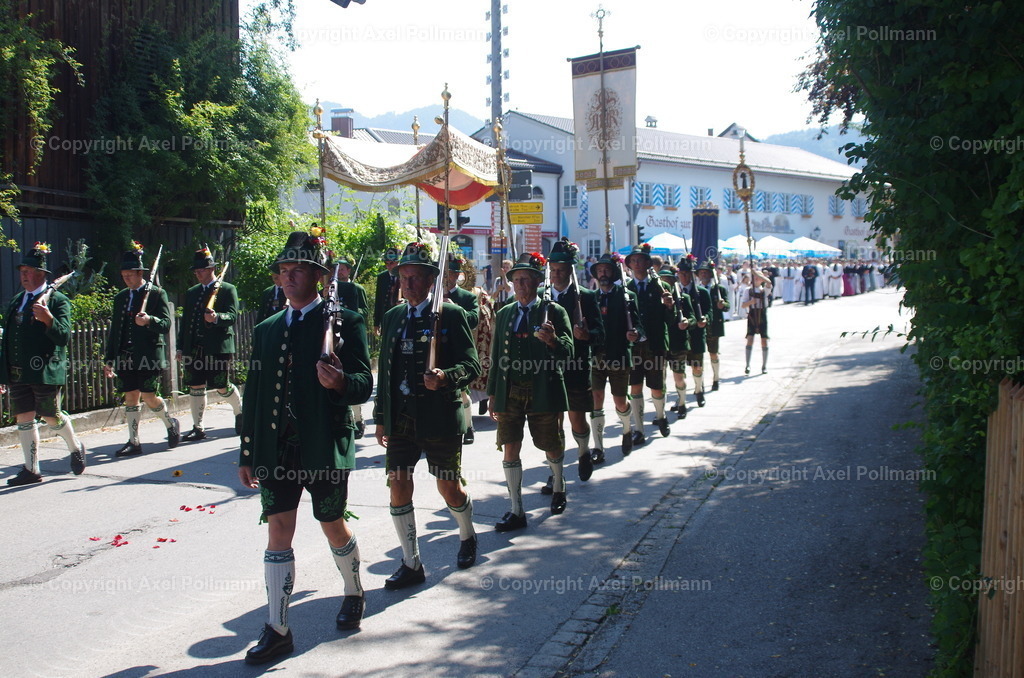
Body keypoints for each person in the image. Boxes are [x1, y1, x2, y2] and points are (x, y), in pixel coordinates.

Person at [238, 230, 373, 665]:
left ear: (318, 276)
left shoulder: (344, 322)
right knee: (279, 529)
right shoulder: (267, 329)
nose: (288, 277)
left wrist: (340, 382)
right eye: (283, 271)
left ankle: (353, 590)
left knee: (332, 523)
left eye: (298, 271)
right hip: (278, 450)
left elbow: (362, 385)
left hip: (323, 446)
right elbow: (255, 394)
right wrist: (248, 453)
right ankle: (278, 628)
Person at [374, 242, 482, 590]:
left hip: (439, 417)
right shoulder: (392, 318)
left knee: (448, 487)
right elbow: (386, 375)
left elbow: (472, 365)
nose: (407, 284)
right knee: (398, 485)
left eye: (415, 277)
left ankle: (467, 535)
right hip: (402, 419)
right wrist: (380, 417)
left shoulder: (450, 315)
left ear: (430, 280)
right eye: (403, 277)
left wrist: (446, 377)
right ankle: (411, 562)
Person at [487, 252, 574, 531]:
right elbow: (496, 355)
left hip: (543, 390)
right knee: (509, 445)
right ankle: (516, 509)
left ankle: (559, 484)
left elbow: (569, 353)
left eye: (526, 280)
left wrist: (553, 341)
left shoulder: (554, 312)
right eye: (516, 280)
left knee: (551, 442)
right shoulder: (504, 314)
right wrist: (493, 394)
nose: (521, 285)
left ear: (537, 282)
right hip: (510, 391)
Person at [0, 242, 87, 484]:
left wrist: (48, 319)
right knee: (24, 418)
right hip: (18, 371)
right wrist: (3, 373)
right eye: (22, 271)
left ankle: (75, 446)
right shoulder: (18, 300)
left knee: (51, 416)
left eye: (28, 272)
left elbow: (64, 336)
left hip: (44, 370)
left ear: (41, 275)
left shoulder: (57, 301)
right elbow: (8, 338)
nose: (24, 276)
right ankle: (31, 469)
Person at [102, 242, 180, 457]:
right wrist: (109, 359)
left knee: (148, 395)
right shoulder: (120, 298)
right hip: (125, 356)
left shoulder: (155, 294)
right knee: (130, 396)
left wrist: (149, 321)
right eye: (123, 275)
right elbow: (115, 331)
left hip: (148, 355)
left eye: (130, 275)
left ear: (139, 273)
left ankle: (170, 423)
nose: (126, 278)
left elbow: (165, 324)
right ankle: (134, 441)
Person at [543, 238, 604, 491]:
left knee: (576, 419)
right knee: (552, 424)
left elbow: (601, 333)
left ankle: (582, 451)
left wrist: (587, 335)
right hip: (548, 370)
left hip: (577, 367)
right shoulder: (542, 297)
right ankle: (555, 474)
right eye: (554, 269)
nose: (557, 274)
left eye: (562, 269)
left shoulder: (587, 297)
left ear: (570, 270)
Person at [177, 246, 242, 441]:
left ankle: (240, 411)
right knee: (195, 386)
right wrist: (181, 347)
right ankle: (198, 427)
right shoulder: (192, 292)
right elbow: (186, 321)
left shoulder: (227, 289)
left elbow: (232, 317)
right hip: (194, 348)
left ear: (212, 269)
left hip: (217, 347)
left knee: (221, 386)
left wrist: (216, 318)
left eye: (201, 270)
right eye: (196, 271)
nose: (198, 274)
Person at [589, 253, 642, 462]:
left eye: (607, 270)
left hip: (619, 355)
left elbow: (637, 323)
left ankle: (627, 428)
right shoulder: (591, 297)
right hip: (596, 357)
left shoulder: (626, 295)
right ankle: (598, 447)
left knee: (620, 401)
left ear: (614, 272)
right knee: (596, 399)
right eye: (600, 270)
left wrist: (634, 333)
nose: (603, 273)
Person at [624, 244, 675, 443]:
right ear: (629, 264)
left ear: (648, 263)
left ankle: (661, 417)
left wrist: (669, 306)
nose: (637, 264)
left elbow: (670, 320)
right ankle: (639, 429)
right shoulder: (626, 289)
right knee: (635, 386)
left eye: (641, 260)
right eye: (633, 260)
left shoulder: (661, 286)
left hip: (655, 344)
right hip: (634, 346)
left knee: (656, 386)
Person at [442, 251, 480, 445]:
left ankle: (468, 425)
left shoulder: (467, 297)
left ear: (457, 276)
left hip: (458, 347)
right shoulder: (434, 294)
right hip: (437, 348)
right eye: (444, 273)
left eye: (450, 273)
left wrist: (456, 308)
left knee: (461, 388)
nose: (446, 277)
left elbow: (474, 319)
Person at [333, 251, 370, 438]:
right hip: (334, 337)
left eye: (342, 268)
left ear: (348, 270)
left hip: (350, 335)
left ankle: (357, 418)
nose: (338, 271)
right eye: (336, 268)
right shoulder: (330, 287)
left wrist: (350, 312)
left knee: (351, 376)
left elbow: (364, 310)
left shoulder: (357, 288)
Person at [675, 255, 711, 409]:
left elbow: (709, 312)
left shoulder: (701, 292)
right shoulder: (674, 292)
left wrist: (705, 319)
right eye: (682, 273)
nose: (684, 276)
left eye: (687, 273)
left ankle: (698, 390)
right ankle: (681, 399)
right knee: (679, 372)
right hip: (680, 336)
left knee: (697, 366)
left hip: (696, 334)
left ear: (692, 275)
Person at [660, 265, 695, 419]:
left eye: (668, 281)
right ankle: (660, 412)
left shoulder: (683, 299)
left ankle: (682, 403)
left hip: (678, 343)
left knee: (678, 377)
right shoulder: (656, 300)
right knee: (659, 380)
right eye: (662, 281)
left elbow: (694, 318)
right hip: (661, 344)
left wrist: (687, 322)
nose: (665, 284)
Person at [697, 260, 730, 391]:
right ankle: (700, 382)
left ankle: (716, 378)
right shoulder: (696, 290)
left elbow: (727, 306)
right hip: (700, 326)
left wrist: (723, 305)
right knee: (699, 355)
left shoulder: (719, 289)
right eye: (701, 272)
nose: (704, 275)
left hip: (714, 325)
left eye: (706, 272)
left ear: (710, 274)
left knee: (713, 353)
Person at [741, 269, 773, 375]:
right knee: (750, 339)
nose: (756, 278)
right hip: (752, 315)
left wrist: (759, 275)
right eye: (755, 277)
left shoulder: (765, 290)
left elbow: (769, 283)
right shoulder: (748, 290)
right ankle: (747, 365)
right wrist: (751, 302)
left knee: (764, 340)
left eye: (759, 277)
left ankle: (764, 366)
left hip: (762, 315)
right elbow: (743, 305)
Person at [374, 247, 401, 335]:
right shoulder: (382, 277)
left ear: (397, 263)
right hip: (386, 318)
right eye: (386, 263)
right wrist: (376, 323)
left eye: (392, 263)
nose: (389, 266)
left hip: (400, 316)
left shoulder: (404, 276)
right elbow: (378, 300)